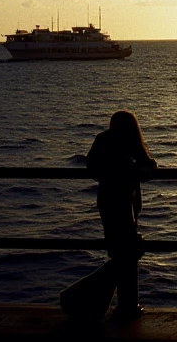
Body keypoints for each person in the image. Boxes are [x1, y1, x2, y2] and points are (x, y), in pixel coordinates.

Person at [60, 109, 156, 322]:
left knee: (123, 251)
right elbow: (94, 166)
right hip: (117, 203)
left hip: (119, 202)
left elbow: (148, 165)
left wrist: (137, 170)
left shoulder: (112, 140)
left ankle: (115, 303)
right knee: (126, 251)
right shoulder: (119, 141)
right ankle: (118, 303)